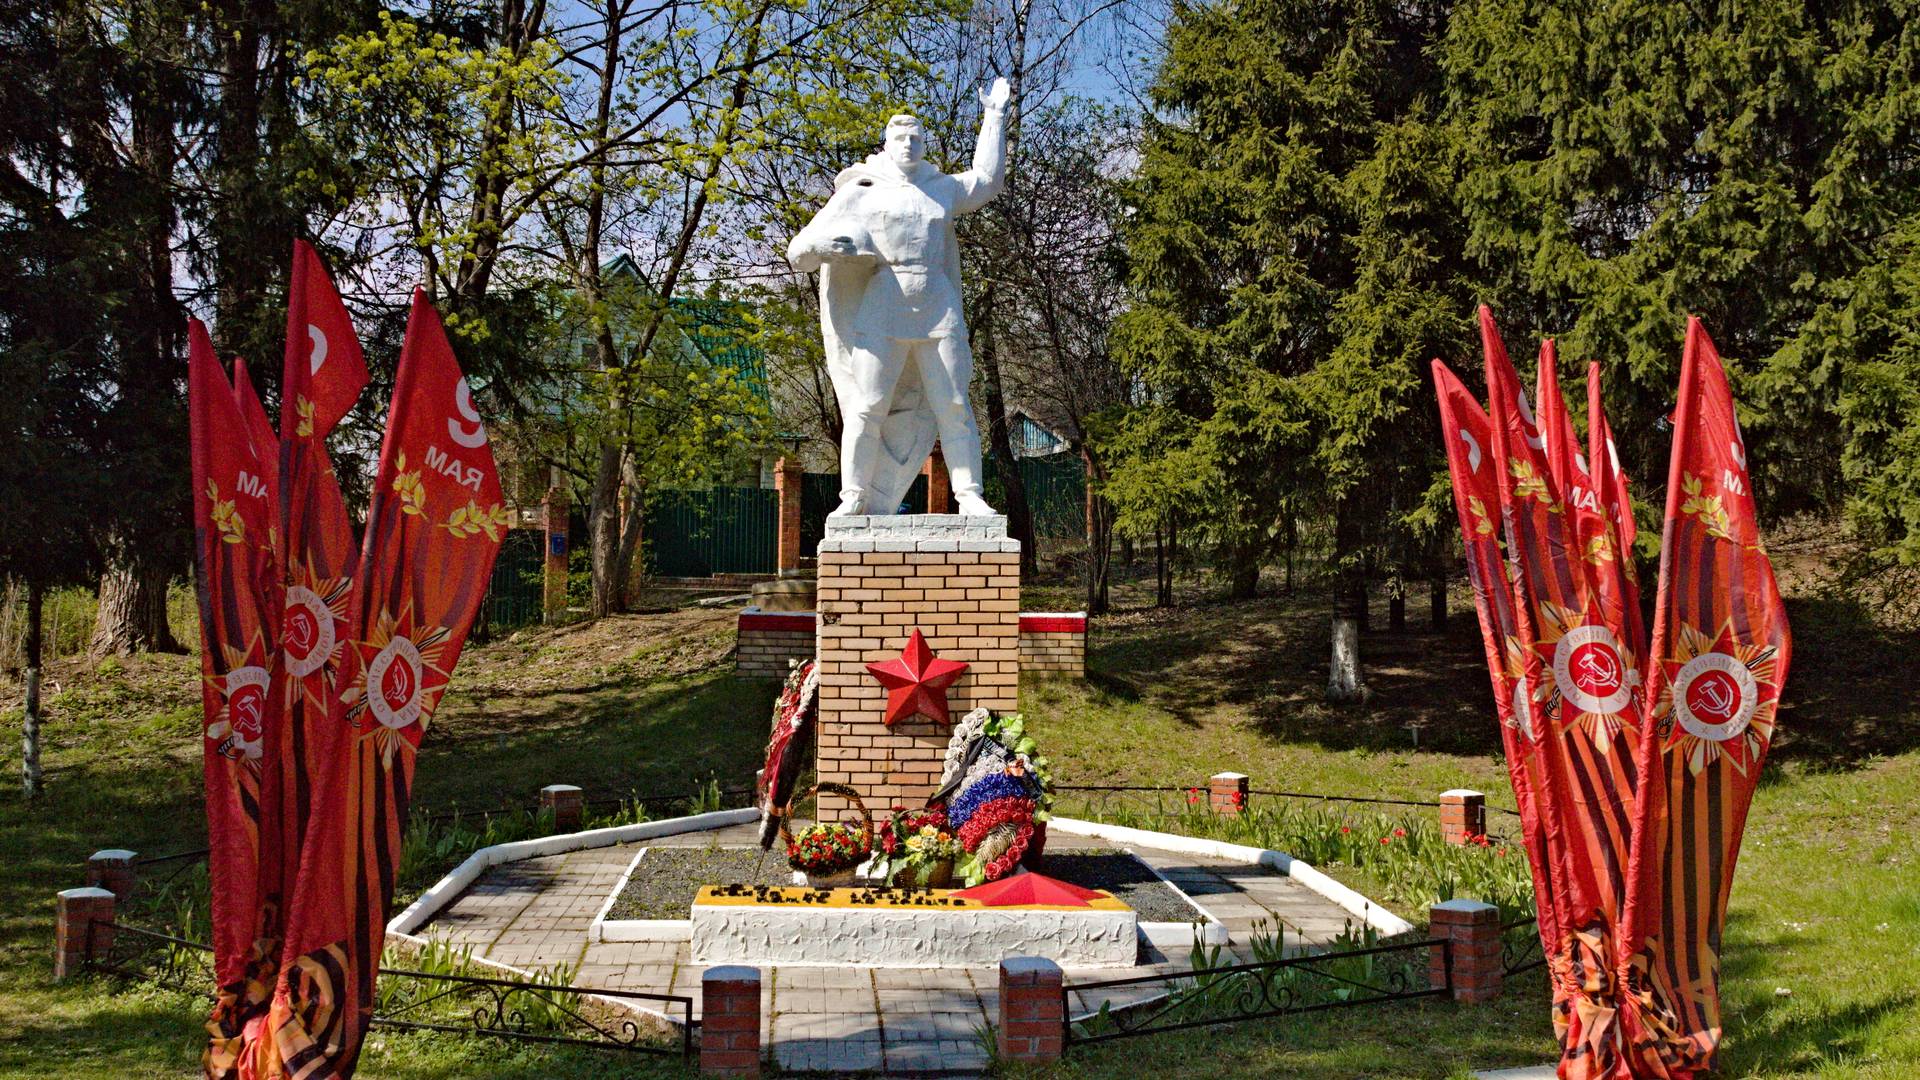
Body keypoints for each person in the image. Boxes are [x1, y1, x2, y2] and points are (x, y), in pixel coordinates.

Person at [787, 78, 1012, 516]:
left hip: (936, 303)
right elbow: (799, 252)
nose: (908, 144)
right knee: (868, 406)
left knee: (953, 404)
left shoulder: (940, 187)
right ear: (886, 144)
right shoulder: (861, 191)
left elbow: (987, 181)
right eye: (900, 138)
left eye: (916, 138)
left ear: (924, 144)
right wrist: (827, 247)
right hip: (884, 304)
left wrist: (995, 117)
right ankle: (853, 497)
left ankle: (969, 496)